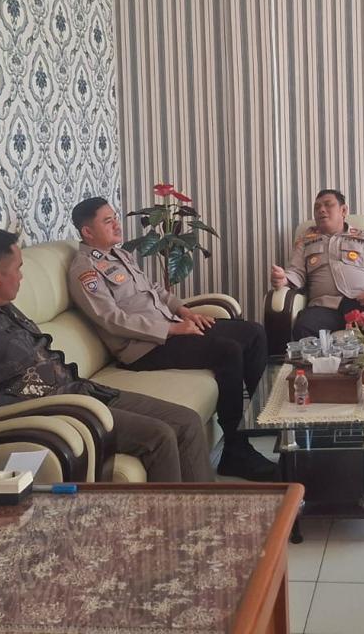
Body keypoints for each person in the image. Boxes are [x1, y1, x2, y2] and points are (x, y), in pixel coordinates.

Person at [0, 228, 214, 482]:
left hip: (83, 391)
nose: (22, 277)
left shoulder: (2, 306)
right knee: (160, 436)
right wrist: (26, 404)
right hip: (63, 412)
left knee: (186, 421)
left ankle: (209, 512)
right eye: (18, 269)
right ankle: (169, 519)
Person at [66, 197, 276, 481]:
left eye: (115, 217)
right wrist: (171, 330)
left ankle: (266, 419)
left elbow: (155, 290)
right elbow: (111, 319)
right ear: (87, 232)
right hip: (143, 348)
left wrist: (184, 312)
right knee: (228, 351)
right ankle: (236, 452)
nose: (116, 224)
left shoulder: (119, 254)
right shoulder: (85, 270)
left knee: (253, 333)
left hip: (169, 327)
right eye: (107, 221)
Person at [270, 189, 364, 340]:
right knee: (303, 327)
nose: (321, 210)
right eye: (317, 207)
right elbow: (296, 271)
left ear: (343, 210)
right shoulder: (305, 240)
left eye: (328, 204)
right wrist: (284, 279)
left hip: (362, 303)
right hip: (324, 307)